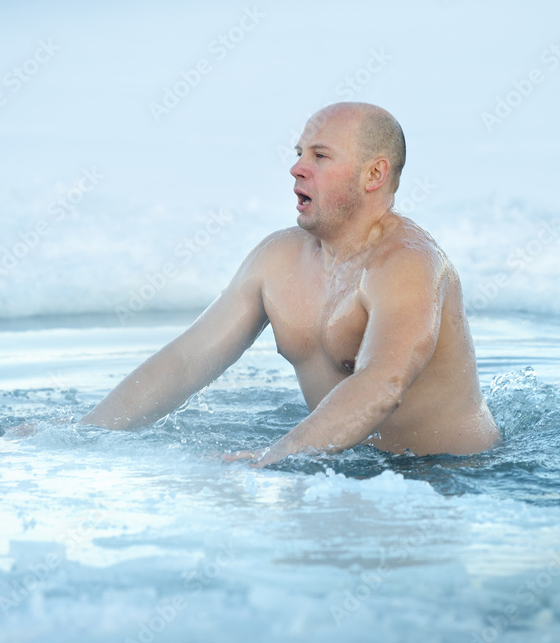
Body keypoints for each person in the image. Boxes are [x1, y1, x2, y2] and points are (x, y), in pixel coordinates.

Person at [80, 102, 500, 465]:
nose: (297, 167)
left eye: (320, 156)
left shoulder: (408, 265)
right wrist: (86, 433)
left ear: (373, 175)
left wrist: (282, 453)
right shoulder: (277, 259)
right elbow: (187, 361)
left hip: (450, 476)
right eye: (300, 152)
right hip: (348, 466)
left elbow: (382, 383)